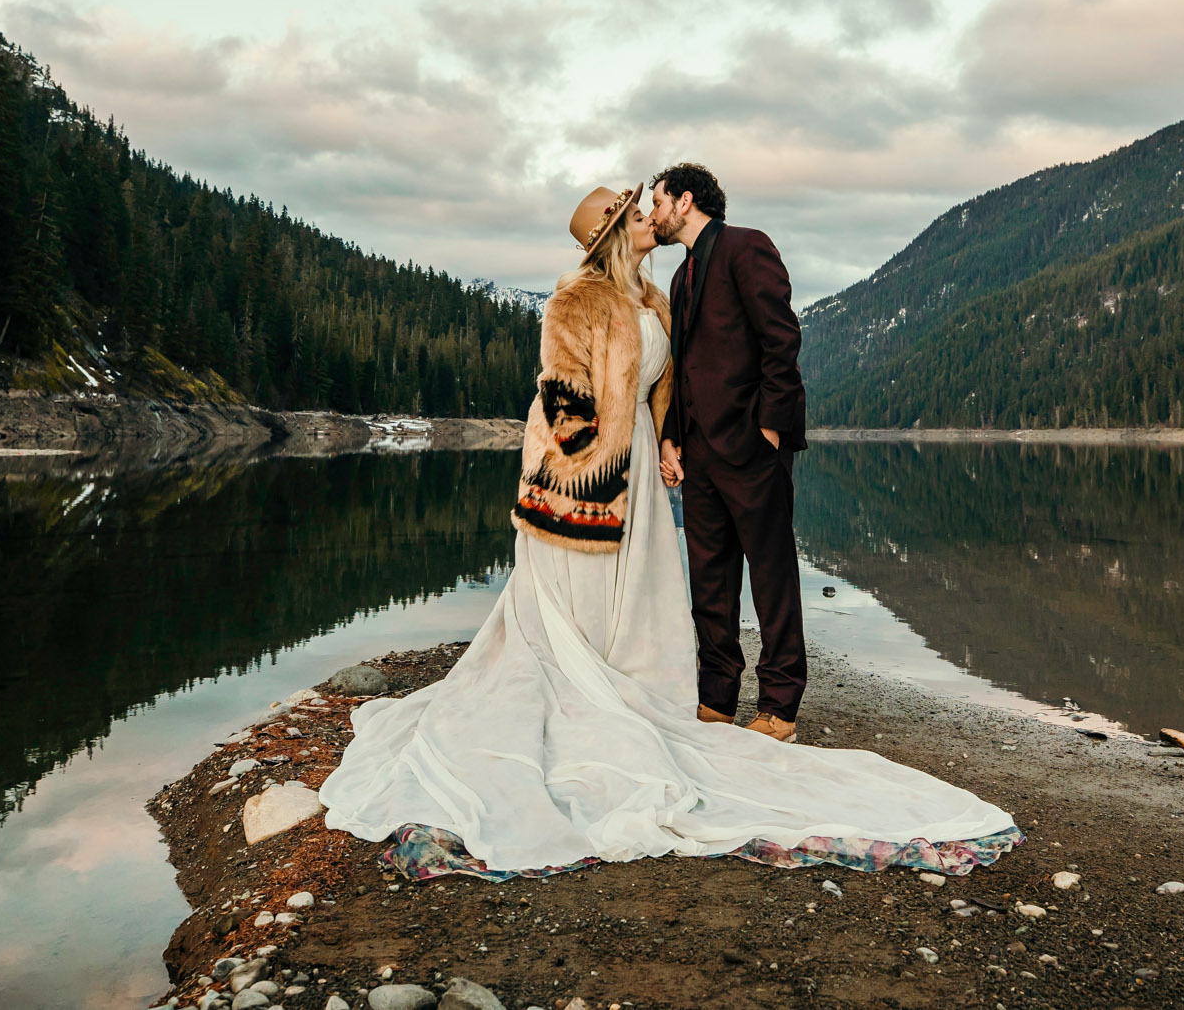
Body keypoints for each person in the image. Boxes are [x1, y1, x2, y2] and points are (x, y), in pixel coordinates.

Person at [316, 183, 1017, 882]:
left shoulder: (656, 296)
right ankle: (595, 691)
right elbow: (562, 390)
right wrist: (586, 477)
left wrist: (669, 442)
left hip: (644, 476)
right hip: (583, 473)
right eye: (633, 215)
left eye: (647, 208)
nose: (647, 218)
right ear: (617, 233)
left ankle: (670, 691)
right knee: (578, 605)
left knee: (649, 599)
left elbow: (675, 382)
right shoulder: (576, 298)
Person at [648, 162, 808, 743]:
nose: (653, 214)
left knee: (771, 577)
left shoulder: (747, 248)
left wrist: (768, 432)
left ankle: (780, 706)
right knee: (710, 582)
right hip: (700, 457)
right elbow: (683, 367)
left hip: (752, 446)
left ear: (685, 201)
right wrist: (671, 435)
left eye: (658, 202)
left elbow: (781, 340)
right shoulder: (681, 276)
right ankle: (717, 697)